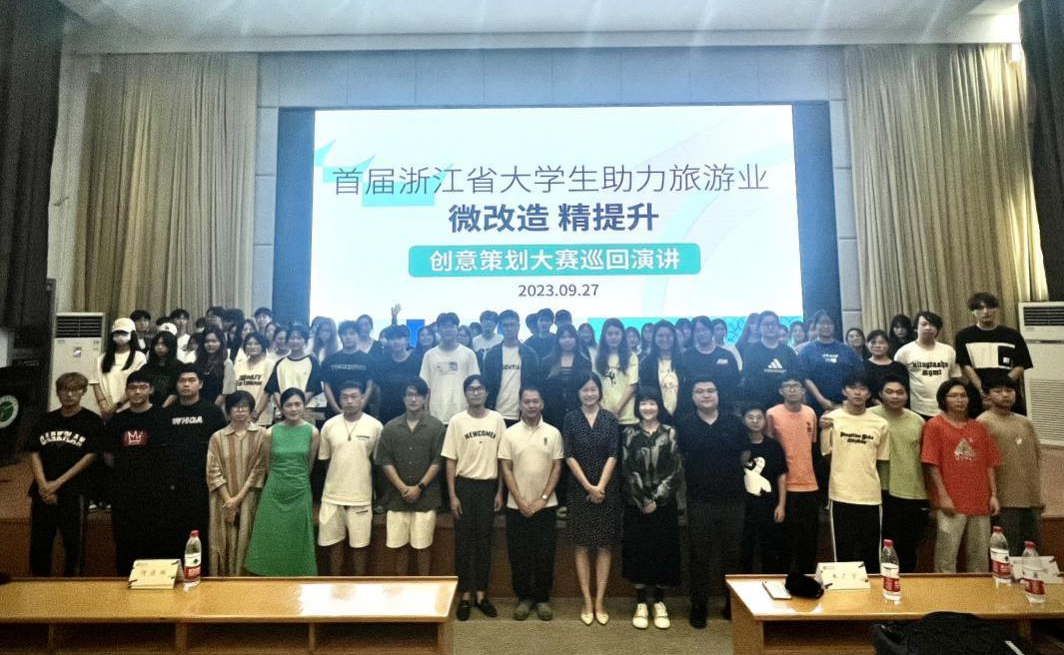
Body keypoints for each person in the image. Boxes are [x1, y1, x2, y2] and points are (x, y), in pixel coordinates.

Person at [677, 377, 749, 628]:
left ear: (718, 394)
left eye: (710, 391)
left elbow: (745, 455)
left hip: (733, 500)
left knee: (733, 555)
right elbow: (680, 459)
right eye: (700, 391)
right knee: (699, 555)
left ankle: (732, 603)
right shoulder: (684, 425)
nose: (706, 395)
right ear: (692, 397)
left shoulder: (734, 422)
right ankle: (699, 605)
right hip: (699, 500)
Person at [443, 375, 506, 621]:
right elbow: (450, 461)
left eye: (480, 388)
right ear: (465, 393)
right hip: (464, 487)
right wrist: (452, 495)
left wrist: (500, 491)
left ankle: (481, 595)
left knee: (484, 543)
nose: (476, 392)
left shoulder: (497, 419)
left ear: (487, 392)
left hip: (489, 487)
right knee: (463, 544)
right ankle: (464, 597)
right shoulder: (457, 421)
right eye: (471, 389)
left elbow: (502, 459)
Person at [28, 372, 103, 576]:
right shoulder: (46, 420)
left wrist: (58, 483)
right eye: (64, 390)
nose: (69, 395)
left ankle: (72, 587)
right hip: (43, 491)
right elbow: (34, 452)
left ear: (83, 392)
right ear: (58, 392)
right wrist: (43, 484)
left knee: (74, 546)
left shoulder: (92, 421)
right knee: (39, 544)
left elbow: (91, 455)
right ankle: (37, 585)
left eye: (75, 390)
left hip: (74, 491)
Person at [499, 386, 564, 621]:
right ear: (520, 404)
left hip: (546, 506)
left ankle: (542, 599)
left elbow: (557, 467)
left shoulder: (554, 433)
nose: (531, 405)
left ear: (542, 403)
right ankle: (524, 598)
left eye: (535, 401)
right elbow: (506, 468)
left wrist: (542, 498)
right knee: (519, 555)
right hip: (516, 506)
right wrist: (520, 499)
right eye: (526, 401)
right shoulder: (509, 433)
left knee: (545, 555)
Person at [922, 380, 1001, 573]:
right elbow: (931, 464)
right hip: (951, 502)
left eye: (963, 396)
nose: (960, 400)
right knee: (946, 558)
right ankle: (945, 592)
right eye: (953, 396)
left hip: (980, 501)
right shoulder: (934, 425)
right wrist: (943, 496)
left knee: (980, 558)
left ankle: (978, 593)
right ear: (943, 399)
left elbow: (989, 464)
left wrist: (993, 495)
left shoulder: (978, 427)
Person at [564, 373, 623, 626]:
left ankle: (600, 601)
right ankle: (587, 601)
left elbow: (614, 454)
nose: (589, 394)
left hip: (607, 490)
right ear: (578, 393)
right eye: (584, 390)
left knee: (604, 546)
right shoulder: (570, 418)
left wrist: (600, 487)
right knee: (581, 545)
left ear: (599, 391)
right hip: (579, 490)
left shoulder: (610, 419)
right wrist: (588, 486)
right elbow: (568, 455)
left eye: (593, 389)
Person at [621, 390, 682, 630]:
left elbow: (676, 469)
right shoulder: (629, 433)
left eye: (652, 403)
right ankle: (640, 603)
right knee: (638, 550)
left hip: (664, 505)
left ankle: (658, 601)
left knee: (662, 551)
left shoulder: (670, 432)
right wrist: (643, 500)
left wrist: (657, 498)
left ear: (659, 406)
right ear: (638, 407)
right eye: (644, 403)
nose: (648, 408)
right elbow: (627, 468)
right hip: (636, 505)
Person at [244, 388, 320, 576]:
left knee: (297, 536)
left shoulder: (313, 432)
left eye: (297, 404)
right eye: (289, 405)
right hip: (274, 491)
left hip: (300, 490)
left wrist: (298, 480)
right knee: (272, 535)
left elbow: (309, 465)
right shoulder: (270, 433)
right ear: (281, 407)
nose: (293, 409)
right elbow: (268, 465)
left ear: (303, 406)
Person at [819, 372, 890, 573]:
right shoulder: (830, 419)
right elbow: (826, 454)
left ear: (869, 393)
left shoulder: (880, 424)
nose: (857, 393)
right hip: (841, 494)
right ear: (844, 391)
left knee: (871, 554)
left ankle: (874, 593)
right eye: (852, 387)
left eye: (863, 388)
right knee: (843, 554)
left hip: (870, 496)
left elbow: (880, 460)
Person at [103, 371, 171, 575]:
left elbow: (170, 453)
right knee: (125, 542)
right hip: (124, 493)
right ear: (126, 392)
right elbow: (108, 454)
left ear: (151, 390)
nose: (137, 392)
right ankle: (125, 581)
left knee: (155, 541)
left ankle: (153, 583)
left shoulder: (163, 417)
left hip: (156, 493)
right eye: (132, 388)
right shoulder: (117, 420)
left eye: (142, 387)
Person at [376, 378, 445, 576]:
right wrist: (402, 487)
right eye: (409, 395)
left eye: (418, 395)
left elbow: (438, 460)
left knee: (423, 548)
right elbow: (385, 460)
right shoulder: (390, 427)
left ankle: (423, 589)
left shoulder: (437, 427)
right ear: (403, 398)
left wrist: (419, 487)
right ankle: (401, 589)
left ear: (425, 398)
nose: (413, 399)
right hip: (397, 498)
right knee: (400, 548)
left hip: (426, 497)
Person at [165, 364, 228, 572]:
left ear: (200, 384)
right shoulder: (167, 413)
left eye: (191, 380)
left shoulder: (213, 413)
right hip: (174, 486)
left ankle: (202, 575)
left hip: (203, 484)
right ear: (176, 385)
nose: (186, 384)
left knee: (200, 532)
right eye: (182, 381)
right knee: (174, 533)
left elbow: (221, 449)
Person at [317, 380, 383, 576]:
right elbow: (326, 460)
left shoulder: (375, 426)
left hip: (361, 496)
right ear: (339, 400)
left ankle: (359, 587)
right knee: (333, 546)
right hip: (332, 496)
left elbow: (378, 464)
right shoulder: (329, 425)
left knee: (359, 548)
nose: (350, 401)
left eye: (354, 396)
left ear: (363, 398)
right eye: (345, 397)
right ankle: (335, 585)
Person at [978, 374, 1042, 556]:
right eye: (998, 391)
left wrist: (1038, 495)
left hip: (1031, 499)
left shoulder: (1025, 422)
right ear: (987, 395)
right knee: (1008, 552)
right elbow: (982, 463)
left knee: (1034, 551)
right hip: (1004, 500)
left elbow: (1036, 458)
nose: (1005, 395)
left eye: (1009, 390)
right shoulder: (983, 422)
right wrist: (991, 495)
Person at [206, 391, 268, 576]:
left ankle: (246, 583)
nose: (240, 410)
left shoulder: (262, 435)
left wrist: (238, 499)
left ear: (251, 410)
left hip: (249, 496)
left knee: (247, 537)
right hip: (222, 498)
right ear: (228, 410)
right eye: (235, 407)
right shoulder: (217, 437)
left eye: (244, 407)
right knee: (223, 538)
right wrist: (229, 500)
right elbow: (212, 469)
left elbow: (259, 468)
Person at [871, 374, 927, 573]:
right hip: (880, 490)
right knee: (883, 544)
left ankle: (908, 585)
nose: (895, 396)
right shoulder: (869, 416)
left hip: (911, 490)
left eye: (900, 392)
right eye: (889, 392)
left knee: (908, 545)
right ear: (880, 394)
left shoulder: (917, 421)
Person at [765, 376, 820, 574]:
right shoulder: (772, 413)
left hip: (809, 484)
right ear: (781, 391)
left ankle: (807, 582)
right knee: (784, 542)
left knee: (808, 541)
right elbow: (768, 447)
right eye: (787, 386)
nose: (792, 389)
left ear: (803, 390)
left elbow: (812, 446)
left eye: (796, 386)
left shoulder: (811, 412)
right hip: (783, 486)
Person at [955, 292, 1034, 414]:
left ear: (996, 309)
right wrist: (984, 391)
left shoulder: (1012, 335)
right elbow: (966, 366)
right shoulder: (963, 336)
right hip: (978, 395)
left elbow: (1021, 365)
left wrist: (1001, 390)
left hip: (1007, 394)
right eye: (980, 308)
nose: (986, 312)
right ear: (973, 312)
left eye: (990, 307)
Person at [739, 404, 787, 575]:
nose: (755, 421)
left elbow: (781, 476)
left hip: (769, 505)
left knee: (770, 551)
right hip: (743, 507)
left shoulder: (774, 446)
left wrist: (781, 505)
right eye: (750, 417)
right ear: (743, 420)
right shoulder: (737, 445)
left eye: (759, 417)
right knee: (744, 551)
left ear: (765, 420)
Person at [894, 311, 960, 419]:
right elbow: (897, 381)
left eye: (932, 325)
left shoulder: (949, 351)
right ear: (916, 328)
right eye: (924, 324)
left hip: (945, 407)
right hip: (917, 409)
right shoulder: (904, 352)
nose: (928, 328)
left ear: (938, 329)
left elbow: (955, 378)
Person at [419, 312, 481, 425]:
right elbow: (425, 388)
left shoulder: (469, 354)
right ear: (438, 329)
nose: (448, 330)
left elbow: (474, 386)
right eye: (444, 326)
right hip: (436, 415)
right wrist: (426, 412)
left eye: (451, 326)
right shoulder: (429, 355)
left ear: (457, 329)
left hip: (463, 414)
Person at [798, 310, 864, 415]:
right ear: (815, 326)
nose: (826, 326)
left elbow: (858, 375)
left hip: (845, 405)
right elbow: (805, 378)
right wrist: (821, 400)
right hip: (816, 405)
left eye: (829, 323)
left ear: (834, 326)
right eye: (821, 323)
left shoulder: (846, 350)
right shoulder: (807, 351)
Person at [483, 309, 540, 426]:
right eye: (505, 325)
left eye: (512, 325)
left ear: (518, 326)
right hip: (496, 412)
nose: (509, 328)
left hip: (523, 412)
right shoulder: (492, 354)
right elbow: (486, 384)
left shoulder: (529, 354)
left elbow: (535, 384)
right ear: (500, 327)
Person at [741, 311, 799, 410]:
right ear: (759, 327)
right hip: (758, 404)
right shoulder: (750, 351)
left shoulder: (788, 352)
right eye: (766, 324)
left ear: (778, 327)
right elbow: (750, 378)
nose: (770, 327)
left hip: (785, 404)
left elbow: (794, 377)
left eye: (773, 324)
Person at [91, 317, 146, 419]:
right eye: (117, 333)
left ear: (132, 334)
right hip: (104, 411)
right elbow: (95, 382)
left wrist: (115, 406)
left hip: (129, 408)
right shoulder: (102, 358)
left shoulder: (139, 357)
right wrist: (103, 405)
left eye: (124, 333)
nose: (120, 336)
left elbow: (136, 385)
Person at [321, 321, 376, 420]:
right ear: (340, 336)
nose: (348, 337)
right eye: (344, 334)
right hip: (334, 413)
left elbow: (369, 386)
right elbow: (327, 386)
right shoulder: (329, 360)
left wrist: (359, 407)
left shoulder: (368, 360)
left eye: (352, 333)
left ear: (358, 335)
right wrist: (336, 409)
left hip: (361, 413)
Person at [685, 316, 741, 412]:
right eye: (697, 331)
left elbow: (736, 381)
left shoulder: (726, 354)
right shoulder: (687, 356)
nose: (701, 333)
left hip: (725, 408)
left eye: (704, 330)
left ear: (711, 331)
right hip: (694, 409)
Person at [265, 325, 322, 414]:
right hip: (282, 411)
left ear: (305, 340)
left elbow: (312, 389)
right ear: (287, 341)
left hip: (306, 410)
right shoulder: (280, 363)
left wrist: (297, 407)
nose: (295, 341)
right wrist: (284, 408)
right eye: (292, 338)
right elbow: (275, 390)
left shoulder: (313, 362)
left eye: (299, 338)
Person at [375, 325, 424, 423]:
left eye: (399, 338)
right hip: (387, 410)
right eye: (392, 339)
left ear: (406, 340)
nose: (396, 342)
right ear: (388, 342)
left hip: (411, 409)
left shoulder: (417, 360)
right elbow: (378, 389)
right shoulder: (382, 362)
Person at [596, 318, 639, 427]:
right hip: (604, 413)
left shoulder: (631, 356)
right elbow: (595, 384)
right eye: (610, 334)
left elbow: (632, 385)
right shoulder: (598, 358)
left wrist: (617, 409)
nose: (613, 337)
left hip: (627, 415)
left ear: (622, 335)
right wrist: (603, 408)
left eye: (617, 333)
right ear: (604, 336)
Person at [637, 320, 685, 417]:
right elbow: (647, 393)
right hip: (656, 415)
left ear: (674, 337)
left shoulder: (684, 361)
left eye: (668, 335)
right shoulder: (646, 363)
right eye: (660, 335)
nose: (665, 339)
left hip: (682, 415)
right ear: (654, 338)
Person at [232, 332, 275, 427]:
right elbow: (234, 391)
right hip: (241, 414)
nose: (252, 346)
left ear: (262, 345)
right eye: (249, 344)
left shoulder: (269, 365)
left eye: (256, 344)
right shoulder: (238, 365)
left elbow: (268, 392)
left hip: (261, 416)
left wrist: (257, 412)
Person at [863, 329, 908, 402]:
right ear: (867, 344)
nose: (877, 346)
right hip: (869, 407)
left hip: (896, 405)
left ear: (888, 345)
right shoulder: (861, 366)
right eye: (873, 342)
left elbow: (905, 390)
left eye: (881, 342)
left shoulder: (899, 367)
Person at [195, 327, 235, 407]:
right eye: (207, 341)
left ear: (221, 343)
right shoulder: (199, 362)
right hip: (199, 405)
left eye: (214, 341)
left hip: (218, 407)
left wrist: (212, 410)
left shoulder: (227, 363)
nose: (210, 344)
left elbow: (225, 393)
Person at [142, 331, 180, 407]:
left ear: (171, 346)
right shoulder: (147, 367)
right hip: (147, 407)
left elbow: (175, 392)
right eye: (157, 344)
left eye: (163, 344)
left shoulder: (179, 367)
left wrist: (162, 409)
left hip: (169, 408)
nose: (159, 347)